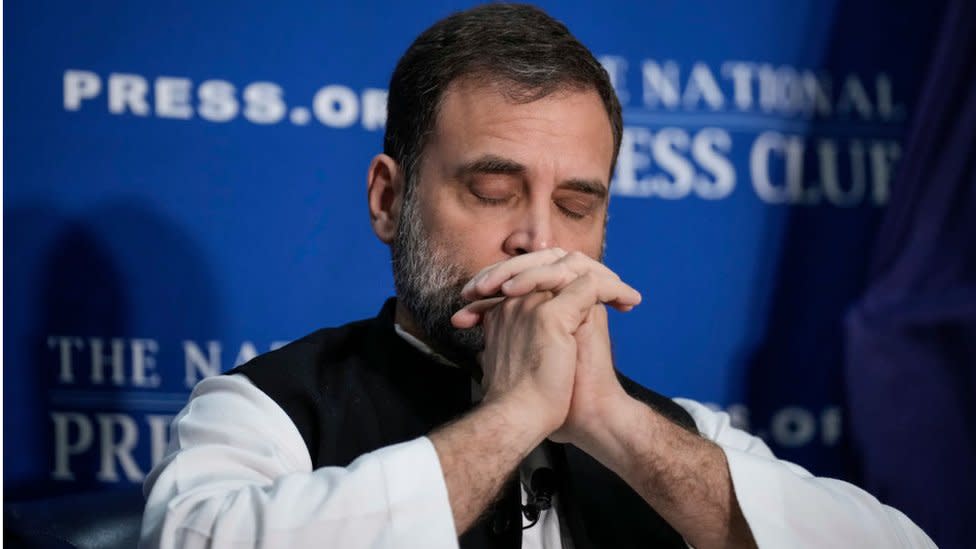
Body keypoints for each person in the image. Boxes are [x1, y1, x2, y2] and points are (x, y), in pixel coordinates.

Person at [140, 4, 936, 548]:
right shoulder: (267, 410)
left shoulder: (675, 433)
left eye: (578, 203)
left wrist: (616, 426)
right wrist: (514, 417)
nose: (539, 239)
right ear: (389, 199)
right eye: (493, 190)